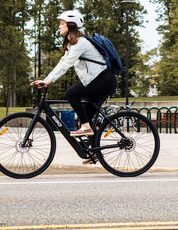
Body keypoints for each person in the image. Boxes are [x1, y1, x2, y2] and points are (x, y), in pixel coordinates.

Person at [31, 10, 117, 139]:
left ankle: (86, 127)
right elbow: (62, 62)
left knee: (71, 93)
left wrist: (48, 81)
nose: (59, 26)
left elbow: (67, 64)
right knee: (86, 118)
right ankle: (92, 152)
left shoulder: (80, 43)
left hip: (104, 81)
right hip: (99, 81)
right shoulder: (73, 44)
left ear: (70, 25)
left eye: (62, 23)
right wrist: (46, 79)